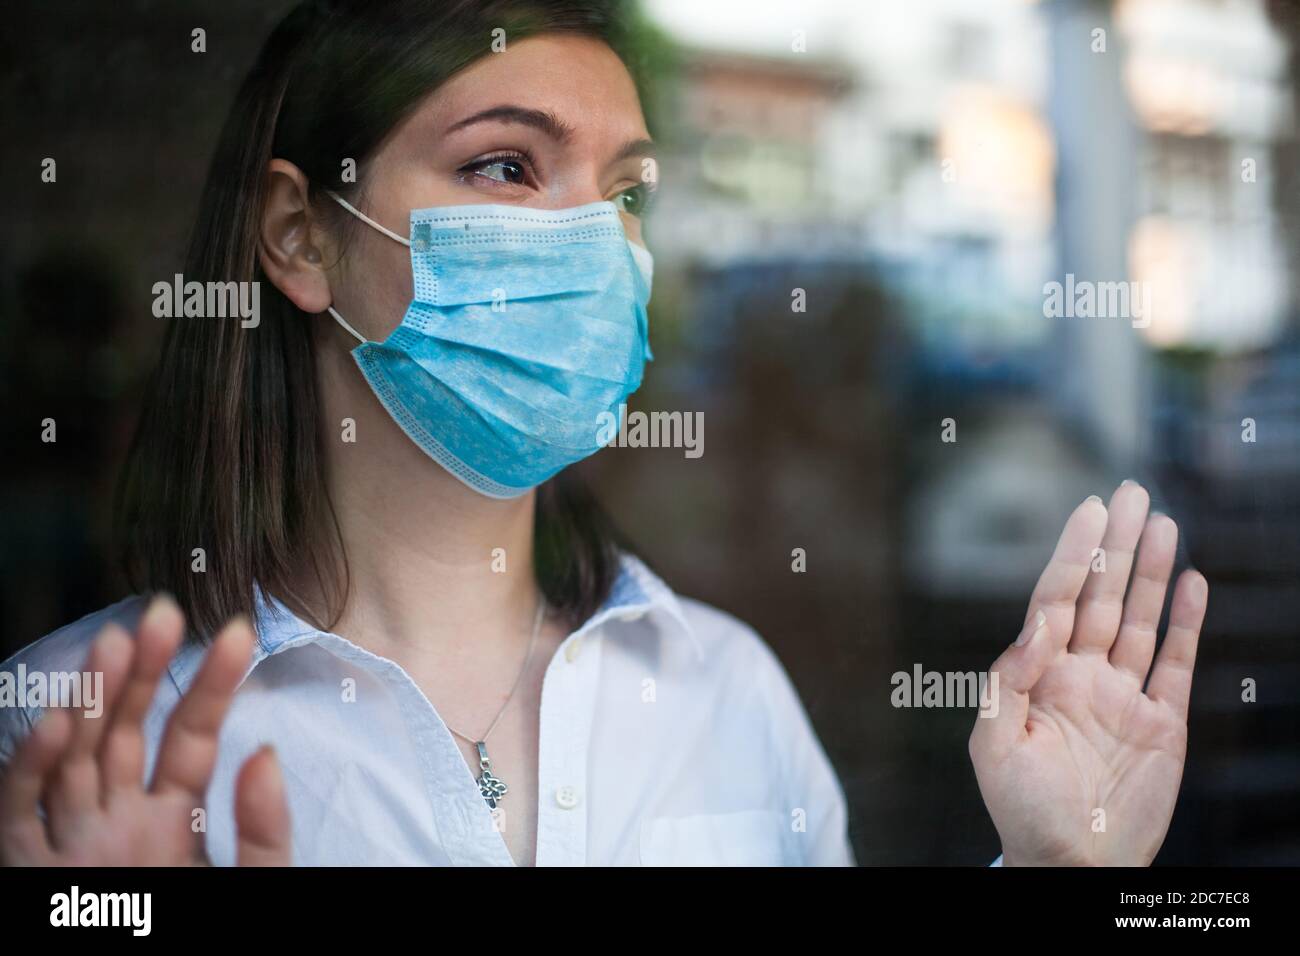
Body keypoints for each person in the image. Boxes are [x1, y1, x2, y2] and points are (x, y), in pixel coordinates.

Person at [0, 0, 1207, 867]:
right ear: (301, 235)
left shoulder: (727, 690)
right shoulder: (69, 732)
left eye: (624, 191)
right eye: (509, 166)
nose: (597, 242)